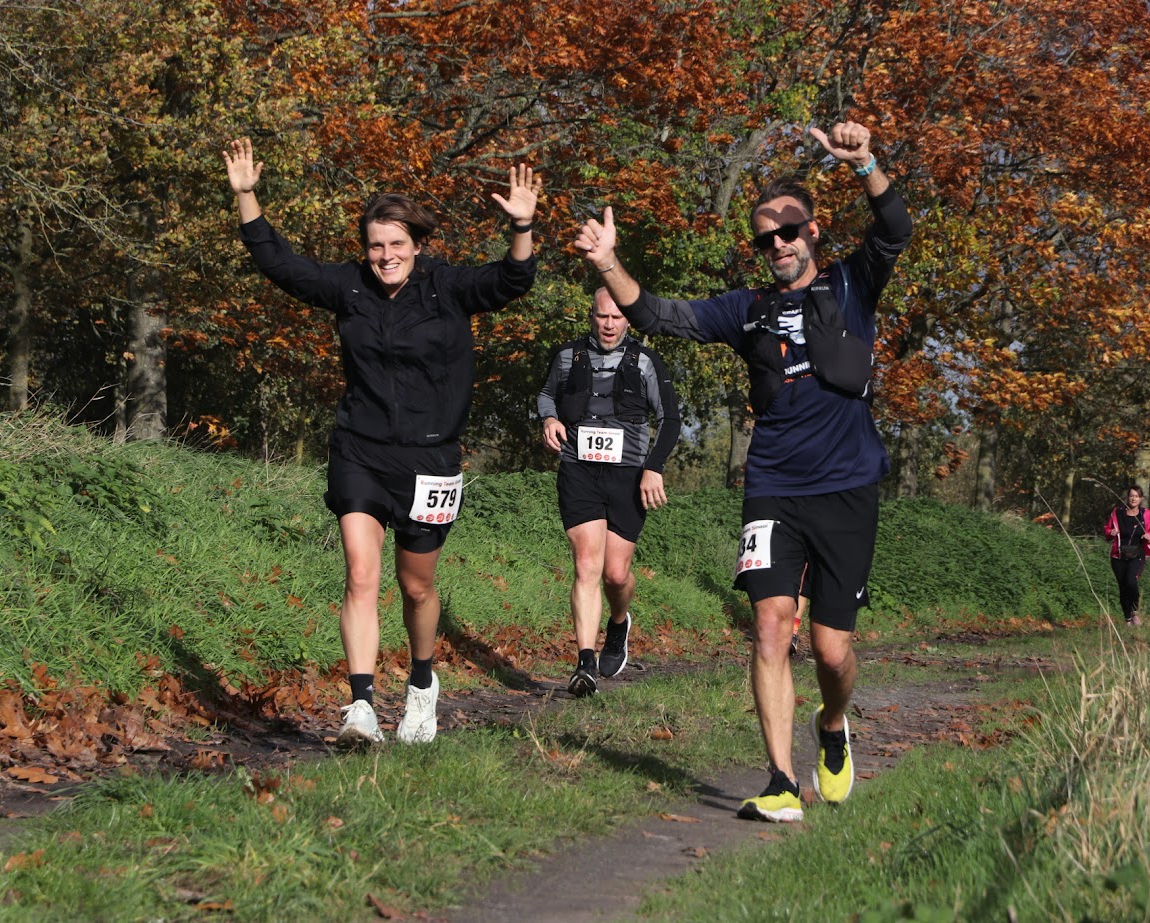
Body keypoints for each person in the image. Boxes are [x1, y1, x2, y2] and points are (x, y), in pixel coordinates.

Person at [574, 120, 912, 823]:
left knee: (831, 650)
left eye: (788, 232)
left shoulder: (852, 282)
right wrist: (608, 262)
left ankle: (832, 723)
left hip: (847, 486)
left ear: (812, 231)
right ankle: (781, 781)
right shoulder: (746, 308)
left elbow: (895, 227)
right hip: (772, 488)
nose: (778, 245)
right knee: (769, 626)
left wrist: (866, 164)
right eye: (765, 239)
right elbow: (656, 315)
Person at [223, 137, 541, 747]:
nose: (386, 256)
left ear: (417, 246)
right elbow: (280, 264)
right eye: (375, 245)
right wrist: (247, 196)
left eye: (397, 244)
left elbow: (511, 280)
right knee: (360, 574)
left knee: (416, 585)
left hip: (431, 458)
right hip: (360, 449)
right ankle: (362, 707)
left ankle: (422, 685)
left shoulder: (447, 287)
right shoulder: (349, 286)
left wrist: (522, 228)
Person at [537, 288, 681, 697]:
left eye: (617, 317)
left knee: (615, 575)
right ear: (592, 316)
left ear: (628, 320)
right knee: (587, 563)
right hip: (578, 470)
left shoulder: (646, 361)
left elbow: (670, 418)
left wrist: (653, 467)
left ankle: (618, 623)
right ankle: (585, 664)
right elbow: (547, 395)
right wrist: (549, 420)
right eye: (602, 316)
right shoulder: (567, 356)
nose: (609, 325)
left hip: (628, 477)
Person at [1102, 484, 1150, 626]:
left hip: (1137, 554)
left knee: (1131, 582)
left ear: (1141, 499)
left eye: (1137, 496)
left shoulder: (1145, 514)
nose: (1134, 498)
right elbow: (1107, 529)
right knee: (1123, 587)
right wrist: (1110, 532)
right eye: (1131, 496)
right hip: (1118, 556)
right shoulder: (1117, 513)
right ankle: (1127, 619)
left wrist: (1149, 535)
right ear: (1127, 497)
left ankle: (1135, 612)